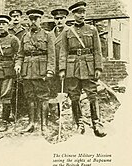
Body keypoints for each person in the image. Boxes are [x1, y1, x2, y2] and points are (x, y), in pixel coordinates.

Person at [59, 1, 106, 137]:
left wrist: (98, 67)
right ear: (73, 14)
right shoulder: (67, 31)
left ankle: (96, 123)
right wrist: (62, 69)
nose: (82, 15)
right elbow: (63, 51)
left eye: (84, 12)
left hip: (88, 66)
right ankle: (79, 123)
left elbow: (97, 50)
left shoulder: (92, 30)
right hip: (72, 66)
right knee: (74, 95)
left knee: (92, 94)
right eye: (79, 12)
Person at [15, 9, 55, 132]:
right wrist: (18, 65)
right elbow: (20, 54)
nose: (33, 22)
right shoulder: (24, 37)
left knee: (43, 97)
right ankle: (31, 123)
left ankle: (44, 124)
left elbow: (52, 55)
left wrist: (50, 70)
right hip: (27, 71)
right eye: (31, 19)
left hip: (41, 70)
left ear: (40, 20)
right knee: (30, 97)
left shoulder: (48, 35)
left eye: (35, 19)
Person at [48, 8, 70, 122]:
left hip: (67, 67)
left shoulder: (70, 32)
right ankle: (54, 115)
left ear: (65, 19)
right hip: (53, 67)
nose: (59, 21)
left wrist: (64, 68)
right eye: (57, 19)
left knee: (67, 90)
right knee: (53, 90)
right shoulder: (50, 34)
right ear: (54, 20)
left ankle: (67, 115)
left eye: (62, 18)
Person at [8, 9, 27, 120]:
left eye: (17, 16)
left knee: (22, 86)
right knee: (11, 87)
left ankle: (22, 111)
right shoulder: (8, 31)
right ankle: (12, 112)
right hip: (10, 63)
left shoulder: (25, 31)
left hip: (21, 61)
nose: (15, 18)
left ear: (21, 18)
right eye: (13, 16)